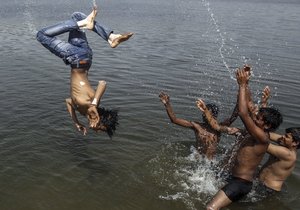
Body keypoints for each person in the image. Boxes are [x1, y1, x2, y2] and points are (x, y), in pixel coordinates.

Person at [36, 5, 133, 136]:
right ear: (99, 119)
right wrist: (94, 104)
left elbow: (69, 102)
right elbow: (102, 83)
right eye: (99, 128)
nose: (96, 130)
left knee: (77, 16)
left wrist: (76, 122)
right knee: (41, 35)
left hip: (84, 56)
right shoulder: (91, 103)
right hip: (76, 58)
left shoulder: (83, 111)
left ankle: (111, 37)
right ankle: (90, 26)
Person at [202, 67, 283, 210]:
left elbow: (243, 112)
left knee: (210, 208)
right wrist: (246, 83)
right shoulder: (257, 131)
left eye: (258, 118)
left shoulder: (262, 137)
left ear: (268, 125)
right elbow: (249, 105)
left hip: (240, 183)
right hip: (232, 177)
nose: (254, 118)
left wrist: (242, 85)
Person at [159, 92, 238, 160]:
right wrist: (167, 104)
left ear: (214, 116)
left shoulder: (219, 127)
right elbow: (174, 120)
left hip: (210, 163)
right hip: (197, 161)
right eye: (203, 113)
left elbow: (233, 117)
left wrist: (240, 100)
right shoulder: (197, 126)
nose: (204, 116)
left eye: (206, 114)